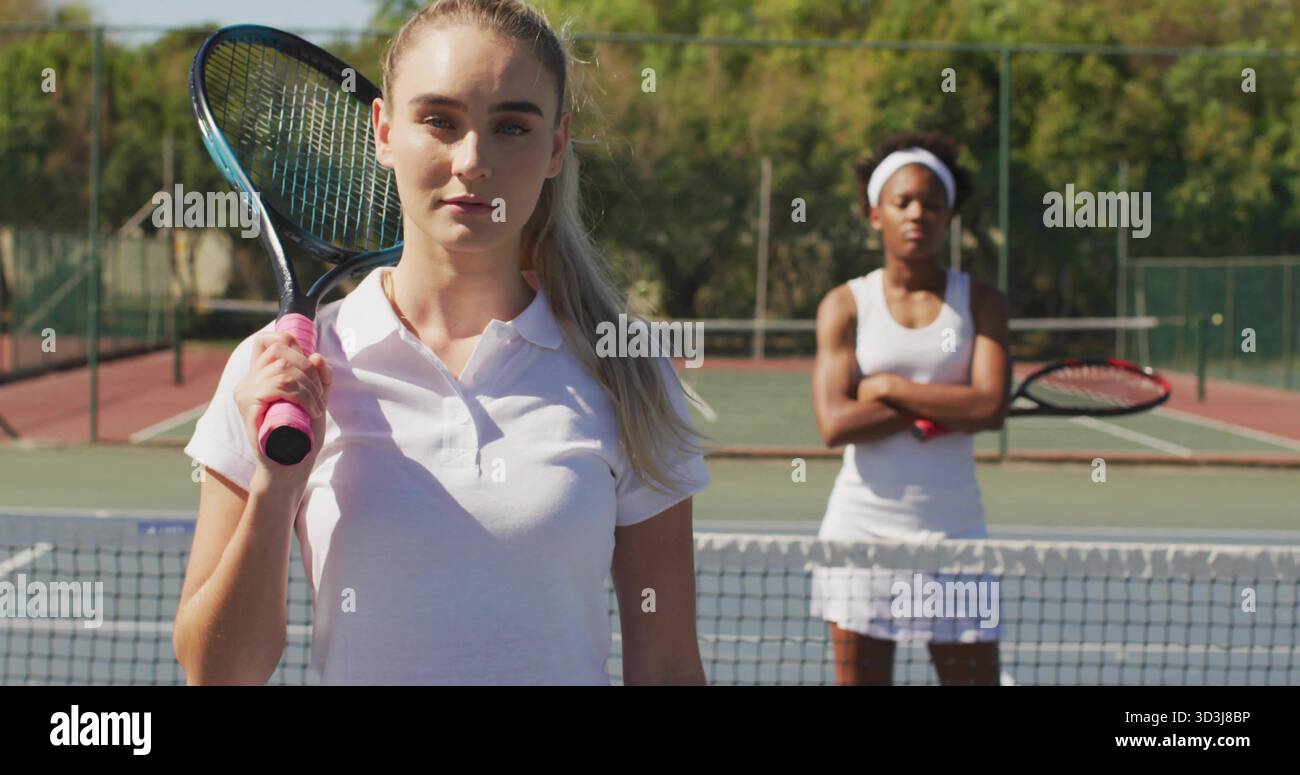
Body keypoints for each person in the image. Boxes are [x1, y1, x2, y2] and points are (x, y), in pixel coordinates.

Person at [174, 0, 709, 685]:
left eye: (512, 126)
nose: (473, 161)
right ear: (384, 131)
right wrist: (274, 486)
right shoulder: (271, 372)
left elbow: (666, 665)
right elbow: (215, 674)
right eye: (439, 121)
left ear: (555, 147)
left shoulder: (626, 373)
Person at [810, 131, 1011, 685]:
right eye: (903, 202)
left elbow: (990, 406)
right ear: (875, 214)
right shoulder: (846, 304)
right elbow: (836, 423)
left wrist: (889, 387)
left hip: (956, 535)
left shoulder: (983, 303)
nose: (918, 213)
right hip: (860, 536)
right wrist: (947, 406)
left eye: (933, 204)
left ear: (950, 218)